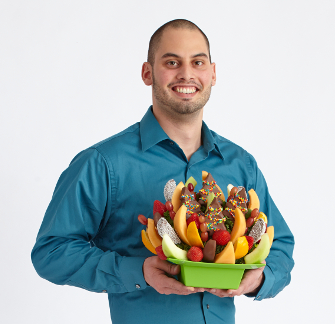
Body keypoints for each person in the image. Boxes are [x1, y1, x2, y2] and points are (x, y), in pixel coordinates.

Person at [32, 19, 294, 324]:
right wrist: (138, 271)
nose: (187, 73)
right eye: (172, 62)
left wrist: (261, 279)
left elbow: (280, 246)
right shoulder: (103, 163)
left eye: (198, 62)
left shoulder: (240, 164)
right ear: (147, 73)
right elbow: (51, 251)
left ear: (212, 73)